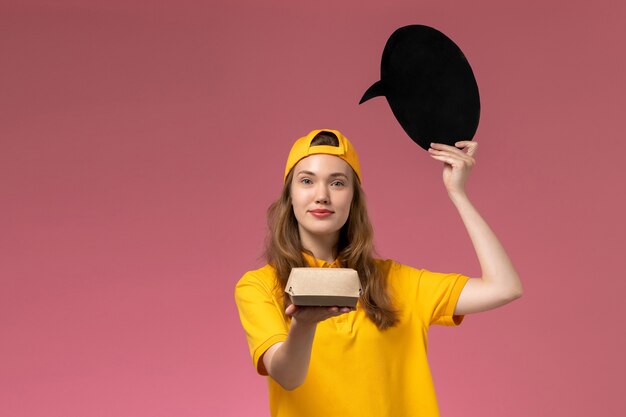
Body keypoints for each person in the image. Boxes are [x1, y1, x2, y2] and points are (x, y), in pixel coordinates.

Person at [235, 129, 522, 417]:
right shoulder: (259, 287)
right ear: (290, 195)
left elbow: (504, 287)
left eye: (337, 183)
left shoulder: (397, 282)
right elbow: (288, 377)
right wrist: (305, 324)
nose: (321, 195)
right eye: (307, 181)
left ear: (353, 198)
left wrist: (458, 193)